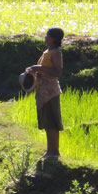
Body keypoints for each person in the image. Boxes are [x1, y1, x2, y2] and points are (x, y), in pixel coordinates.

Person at [26, 27, 64, 159]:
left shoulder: (56, 52)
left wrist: (38, 68)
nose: (45, 38)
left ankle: (55, 151)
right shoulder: (47, 51)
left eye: (47, 36)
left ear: (53, 38)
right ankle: (50, 150)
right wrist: (34, 70)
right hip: (43, 90)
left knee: (52, 121)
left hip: (51, 90)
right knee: (47, 121)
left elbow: (57, 72)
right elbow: (44, 69)